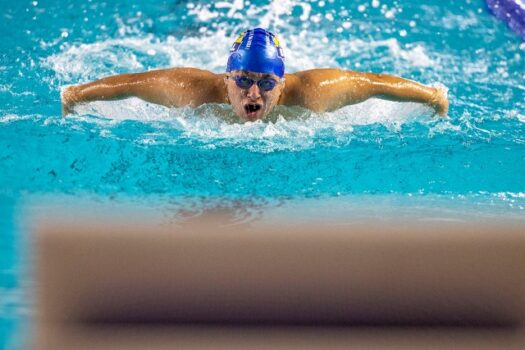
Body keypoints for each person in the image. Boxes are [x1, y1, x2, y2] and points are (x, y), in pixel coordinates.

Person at [61, 28, 448, 121]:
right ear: (226, 78)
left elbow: (375, 83)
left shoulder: (314, 92)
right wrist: (77, 94)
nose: (254, 94)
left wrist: (432, 96)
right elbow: (131, 83)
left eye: (266, 83)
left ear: (282, 82)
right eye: (243, 79)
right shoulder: (192, 89)